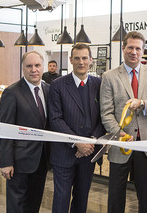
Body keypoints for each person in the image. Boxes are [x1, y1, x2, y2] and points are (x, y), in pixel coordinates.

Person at [100, 31, 147, 213]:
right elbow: (106, 113)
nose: (134, 52)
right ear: (123, 48)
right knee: (116, 195)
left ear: (143, 51)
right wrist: (119, 133)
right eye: (130, 47)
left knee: (146, 194)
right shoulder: (109, 76)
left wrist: (143, 103)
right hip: (120, 142)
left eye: (138, 48)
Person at [49, 43, 106, 213]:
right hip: (64, 154)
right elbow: (55, 119)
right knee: (61, 199)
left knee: (82, 199)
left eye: (84, 58)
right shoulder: (58, 85)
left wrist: (89, 143)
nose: (81, 62)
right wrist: (76, 143)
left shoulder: (99, 84)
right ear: (71, 60)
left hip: (89, 153)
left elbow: (103, 117)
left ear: (90, 60)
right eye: (77, 58)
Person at [0, 50, 50, 213]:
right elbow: (6, 129)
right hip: (19, 162)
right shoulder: (12, 93)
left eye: (37, 65)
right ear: (23, 68)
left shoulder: (49, 90)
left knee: (34, 204)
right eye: (29, 66)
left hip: (42, 161)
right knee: (16, 206)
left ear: (43, 67)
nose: (34, 69)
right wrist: (6, 162)